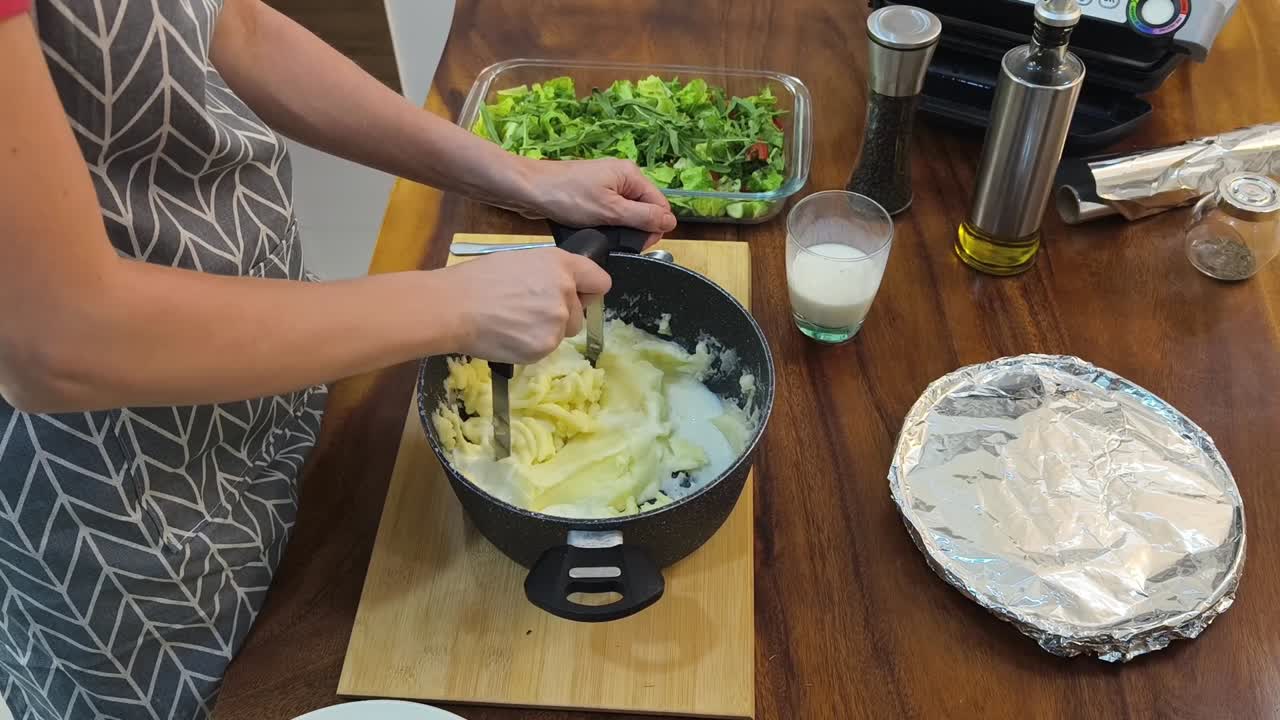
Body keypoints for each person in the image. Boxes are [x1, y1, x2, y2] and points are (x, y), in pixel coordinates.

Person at [0, 0, 677, 717]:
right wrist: (461, 307)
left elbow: (233, 25)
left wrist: (513, 173)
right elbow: (59, 342)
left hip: (282, 357)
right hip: (123, 489)